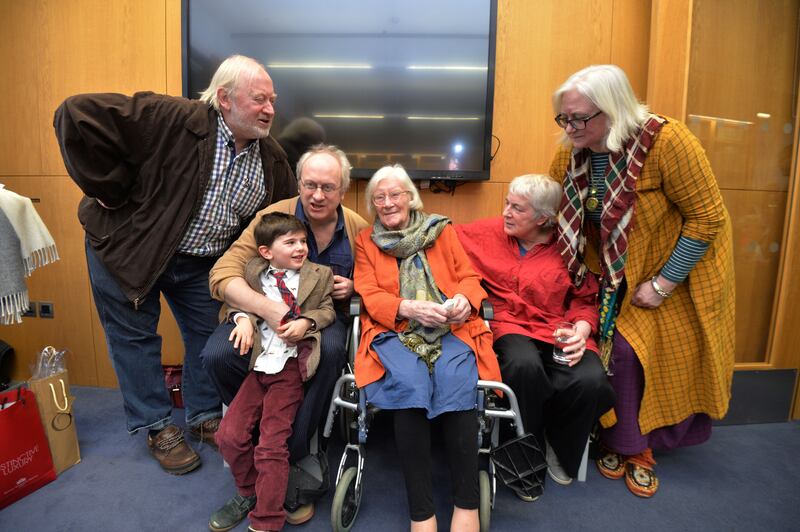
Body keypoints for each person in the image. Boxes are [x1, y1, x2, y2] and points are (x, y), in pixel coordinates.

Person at [53, 55, 296, 474]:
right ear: (224, 98)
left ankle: (203, 415)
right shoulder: (171, 118)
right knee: (135, 339)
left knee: (208, 335)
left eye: (272, 100)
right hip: (130, 250)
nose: (271, 110)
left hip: (201, 262)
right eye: (260, 99)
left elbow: (282, 222)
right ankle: (156, 425)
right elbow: (75, 113)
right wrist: (106, 190)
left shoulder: (271, 158)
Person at [550, 64, 735, 497]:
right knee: (600, 352)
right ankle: (616, 439)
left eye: (580, 118)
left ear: (613, 110)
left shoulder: (667, 141)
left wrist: (663, 283)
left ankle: (637, 449)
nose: (570, 127)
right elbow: (557, 209)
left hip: (669, 274)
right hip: (606, 274)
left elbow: (708, 218)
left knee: (631, 353)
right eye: (564, 118)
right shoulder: (571, 151)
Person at [204, 144, 368, 522]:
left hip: (324, 322)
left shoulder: (357, 227)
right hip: (264, 325)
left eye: (328, 187)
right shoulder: (272, 217)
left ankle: (293, 453)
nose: (317, 195)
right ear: (299, 182)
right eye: (310, 184)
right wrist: (260, 310)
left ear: (343, 189)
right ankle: (264, 440)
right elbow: (222, 274)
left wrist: (354, 286)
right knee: (217, 355)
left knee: (324, 352)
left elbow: (381, 283)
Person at [354, 164, 501, 532]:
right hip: (394, 329)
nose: (388, 203)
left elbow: (468, 275)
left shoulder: (442, 230)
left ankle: (466, 505)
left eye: (395, 195)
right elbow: (369, 293)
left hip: (450, 328)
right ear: (374, 203)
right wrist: (406, 307)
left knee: (457, 381)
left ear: (410, 197)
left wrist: (465, 300)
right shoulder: (365, 241)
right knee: (410, 383)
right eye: (380, 197)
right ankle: (421, 512)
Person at [456, 174, 615, 490]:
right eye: (507, 204)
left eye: (517, 208)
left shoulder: (571, 248)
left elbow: (585, 299)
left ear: (545, 219)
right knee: (523, 367)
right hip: (508, 324)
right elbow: (441, 234)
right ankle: (524, 459)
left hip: (559, 329)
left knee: (591, 381)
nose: (506, 213)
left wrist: (582, 331)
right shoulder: (488, 232)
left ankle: (557, 443)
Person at [210, 212, 335, 532]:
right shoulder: (254, 273)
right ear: (266, 252)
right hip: (260, 366)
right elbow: (236, 304)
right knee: (228, 435)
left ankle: (266, 520)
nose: (300, 248)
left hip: (290, 369)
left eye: (303, 241)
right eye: (290, 242)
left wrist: (306, 322)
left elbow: (326, 310)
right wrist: (242, 321)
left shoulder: (319, 275)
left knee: (271, 445)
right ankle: (252, 489)